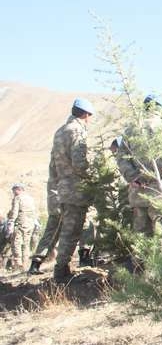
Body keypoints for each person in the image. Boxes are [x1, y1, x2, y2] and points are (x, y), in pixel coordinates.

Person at [116, 94, 162, 237]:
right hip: (161, 191)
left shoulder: (131, 129)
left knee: (141, 235)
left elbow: (121, 158)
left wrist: (134, 178)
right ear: (160, 109)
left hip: (138, 191)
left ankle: (140, 260)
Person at [50, 98, 95, 282]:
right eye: (90, 116)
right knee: (73, 230)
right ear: (85, 114)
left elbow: (53, 164)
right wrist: (93, 177)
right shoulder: (77, 131)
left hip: (64, 186)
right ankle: (61, 271)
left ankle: (61, 268)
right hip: (77, 187)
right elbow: (80, 163)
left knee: (68, 228)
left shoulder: (60, 132)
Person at [28, 159, 62, 274]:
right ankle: (83, 258)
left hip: (56, 202)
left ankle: (35, 264)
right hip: (61, 202)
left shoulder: (57, 159)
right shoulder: (64, 165)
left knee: (50, 234)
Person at [6, 183, 36, 270]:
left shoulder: (17, 198)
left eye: (14, 190)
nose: (13, 192)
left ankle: (18, 264)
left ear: (18, 189)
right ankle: (25, 264)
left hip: (20, 223)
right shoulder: (30, 198)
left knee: (16, 243)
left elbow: (14, 212)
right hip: (30, 224)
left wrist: (11, 222)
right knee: (26, 244)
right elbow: (33, 212)